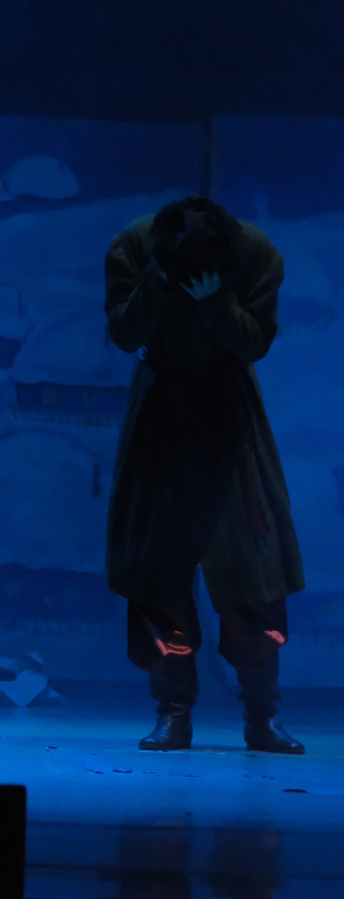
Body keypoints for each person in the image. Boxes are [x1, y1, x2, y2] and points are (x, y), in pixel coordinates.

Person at [104, 196, 305, 754]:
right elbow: (124, 332)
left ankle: (262, 716)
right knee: (157, 576)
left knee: (253, 575)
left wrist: (215, 301)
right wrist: (158, 281)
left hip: (228, 415)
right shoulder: (135, 244)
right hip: (162, 417)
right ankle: (173, 713)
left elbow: (255, 341)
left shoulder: (256, 253)